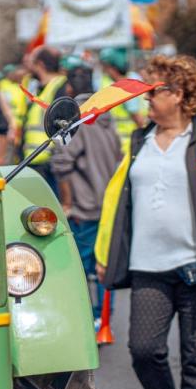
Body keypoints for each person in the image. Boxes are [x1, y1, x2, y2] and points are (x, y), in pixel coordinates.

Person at [95, 54, 196, 389]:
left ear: (178, 93)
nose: (146, 98)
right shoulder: (140, 140)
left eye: (152, 91)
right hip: (148, 268)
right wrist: (106, 249)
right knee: (144, 351)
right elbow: (118, 201)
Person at [51, 66, 122, 324]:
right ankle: (104, 318)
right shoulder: (106, 117)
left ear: (69, 89)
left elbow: (62, 162)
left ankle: (84, 320)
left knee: (78, 269)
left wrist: (67, 203)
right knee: (103, 266)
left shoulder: (77, 120)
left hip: (84, 208)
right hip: (106, 205)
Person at [21, 46, 67, 193]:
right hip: (34, 160)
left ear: (40, 64)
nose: (28, 66)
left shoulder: (61, 87)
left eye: (32, 62)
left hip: (49, 163)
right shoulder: (39, 88)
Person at [98, 48, 146, 153]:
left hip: (128, 145)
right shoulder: (135, 77)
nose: (105, 71)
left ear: (112, 68)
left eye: (105, 67)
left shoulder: (123, 86)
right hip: (128, 143)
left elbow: (138, 118)